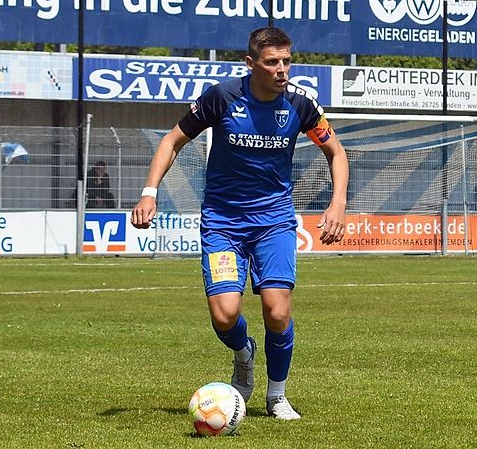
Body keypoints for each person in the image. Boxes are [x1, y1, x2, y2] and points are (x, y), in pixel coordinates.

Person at [131, 27, 348, 421]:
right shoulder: (222, 98)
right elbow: (171, 141)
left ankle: (276, 395)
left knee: (277, 311)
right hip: (223, 223)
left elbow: (335, 151)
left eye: (286, 61)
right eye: (271, 63)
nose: (281, 70)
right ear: (251, 64)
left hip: (274, 223)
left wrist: (337, 203)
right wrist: (150, 191)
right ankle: (243, 353)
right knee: (225, 314)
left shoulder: (302, 106)